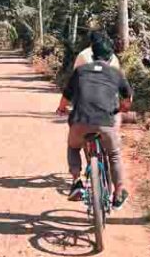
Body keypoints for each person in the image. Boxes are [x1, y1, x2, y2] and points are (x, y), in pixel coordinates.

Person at [56, 31, 132, 209]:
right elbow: (127, 100)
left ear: (92, 53)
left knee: (73, 146)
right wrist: (120, 109)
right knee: (113, 154)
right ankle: (119, 191)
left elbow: (66, 96)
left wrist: (61, 109)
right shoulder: (116, 73)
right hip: (106, 121)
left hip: (80, 121)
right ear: (110, 55)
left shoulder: (80, 71)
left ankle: (76, 182)